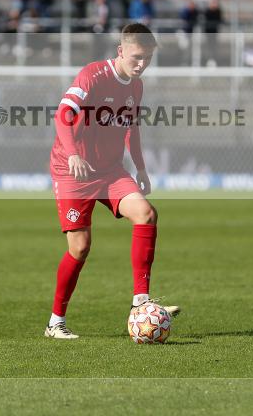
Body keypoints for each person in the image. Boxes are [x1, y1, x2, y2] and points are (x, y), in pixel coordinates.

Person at [45, 23, 180, 340]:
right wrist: (74, 154)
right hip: (72, 170)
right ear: (121, 51)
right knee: (80, 248)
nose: (141, 64)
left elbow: (132, 127)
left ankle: (140, 302)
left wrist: (141, 168)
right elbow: (62, 114)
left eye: (147, 58)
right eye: (136, 57)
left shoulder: (136, 86)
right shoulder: (93, 75)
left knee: (146, 214)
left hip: (110, 171)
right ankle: (55, 322)